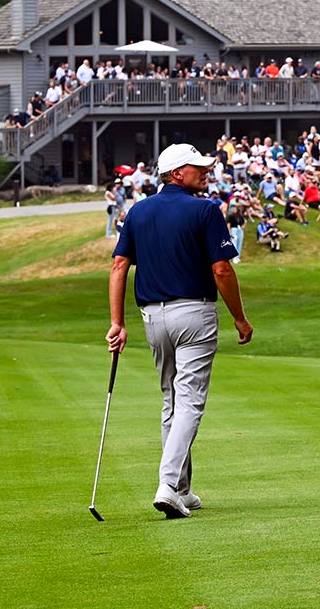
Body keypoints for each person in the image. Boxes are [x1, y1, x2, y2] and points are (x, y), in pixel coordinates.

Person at [105, 143, 254, 519]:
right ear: (176, 174)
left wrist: (117, 323)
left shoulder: (138, 211)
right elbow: (221, 270)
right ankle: (168, 484)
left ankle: (183, 489)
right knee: (189, 401)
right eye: (197, 168)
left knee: (172, 399)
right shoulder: (205, 210)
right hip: (194, 314)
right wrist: (239, 317)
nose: (205, 172)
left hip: (152, 319)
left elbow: (119, 266)